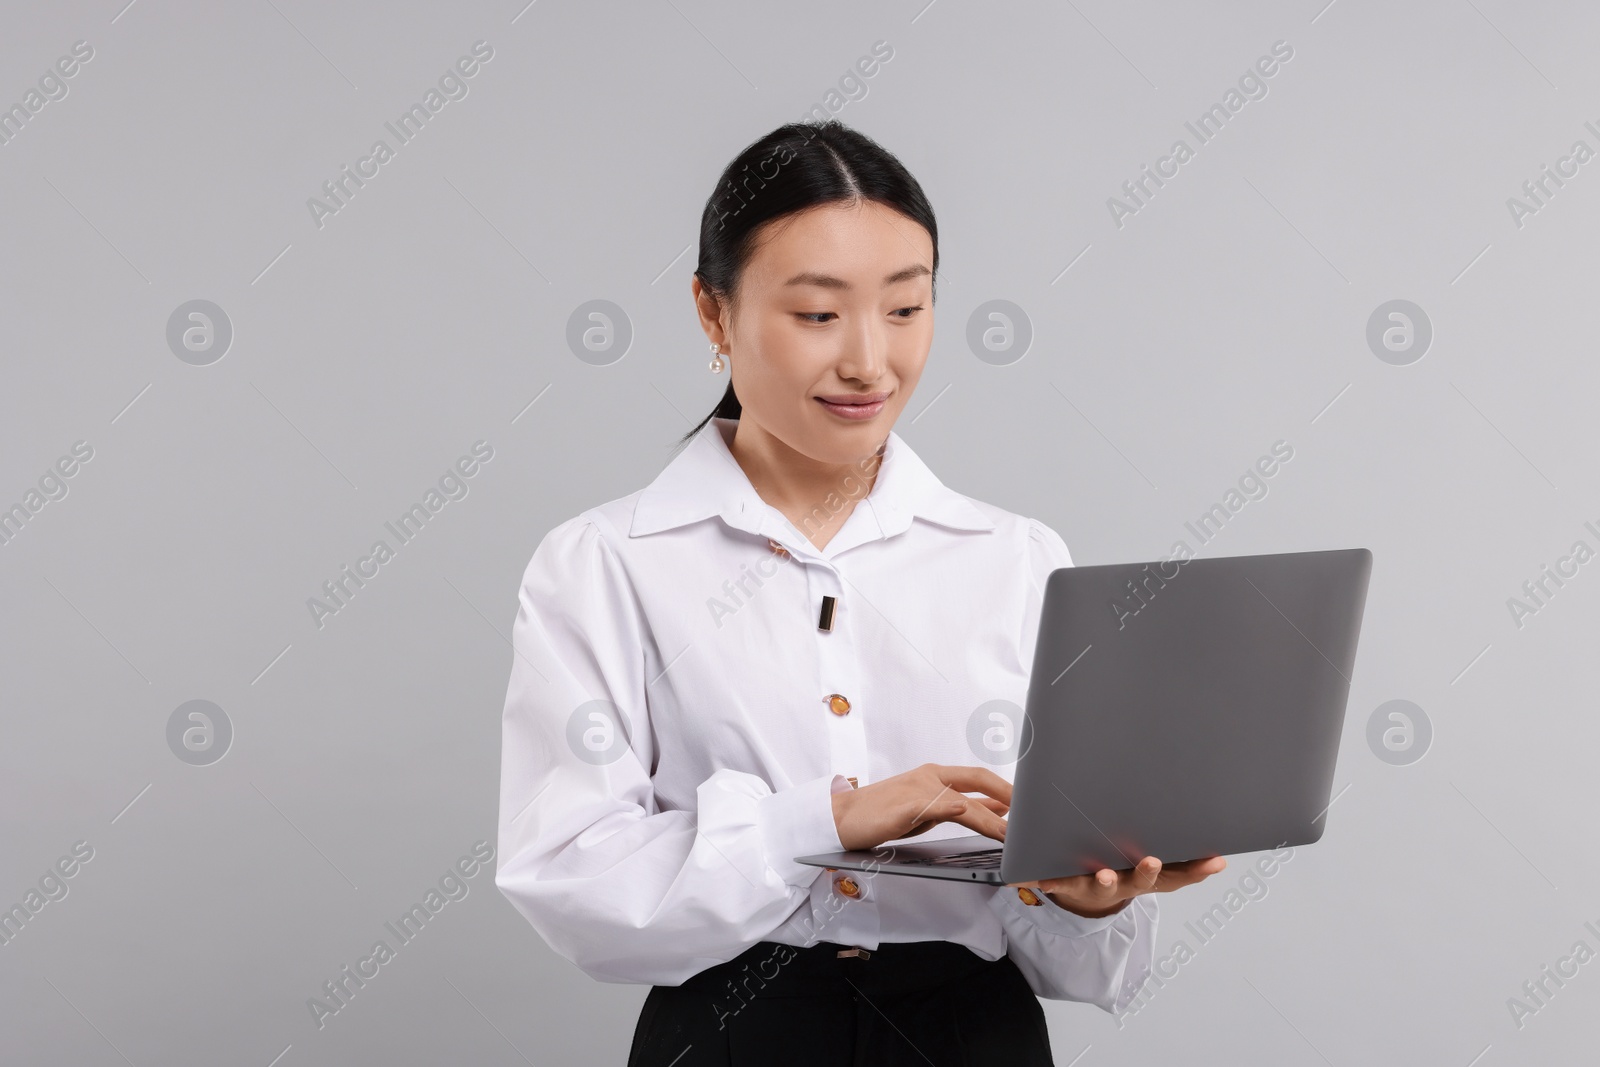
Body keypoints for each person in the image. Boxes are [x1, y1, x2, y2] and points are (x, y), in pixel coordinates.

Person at [494, 120, 1226, 1066]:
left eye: (905, 309)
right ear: (713, 314)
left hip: (975, 1035)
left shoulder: (1016, 558)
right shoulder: (604, 561)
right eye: (816, 314)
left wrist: (1082, 898)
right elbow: (571, 884)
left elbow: (1087, 966)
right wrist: (825, 820)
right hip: (732, 1036)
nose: (869, 362)